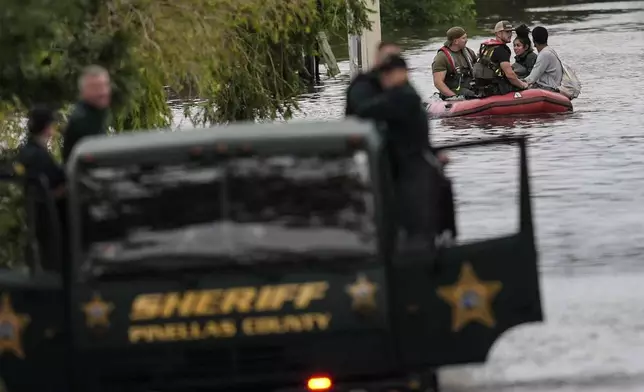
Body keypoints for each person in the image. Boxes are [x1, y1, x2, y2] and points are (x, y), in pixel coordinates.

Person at [347, 54, 457, 251]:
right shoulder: (404, 95)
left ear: (402, 73)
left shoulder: (403, 96)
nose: (385, 79)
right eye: (383, 74)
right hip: (412, 166)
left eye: (389, 74)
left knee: (416, 228)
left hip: (413, 170)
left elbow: (364, 110)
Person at [16, 105, 67, 272]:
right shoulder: (40, 157)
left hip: (34, 222)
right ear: (47, 128)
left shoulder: (25, 153)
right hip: (48, 224)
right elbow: (56, 182)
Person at [62, 65, 112, 163]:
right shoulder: (82, 120)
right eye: (96, 87)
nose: (103, 92)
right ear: (83, 91)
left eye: (105, 85)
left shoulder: (98, 113)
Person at [472, 20, 529, 97]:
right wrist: (523, 85)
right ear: (498, 33)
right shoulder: (502, 50)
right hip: (494, 88)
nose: (510, 34)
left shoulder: (486, 47)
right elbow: (510, 75)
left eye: (511, 32)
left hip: (480, 87)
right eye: (507, 32)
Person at [345, 41, 401, 116]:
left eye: (396, 58)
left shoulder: (401, 84)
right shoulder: (362, 84)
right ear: (377, 59)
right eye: (387, 57)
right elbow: (363, 110)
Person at [432, 27, 478, 100]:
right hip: (454, 91)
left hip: (470, 87)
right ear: (455, 41)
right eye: (463, 38)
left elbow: (477, 69)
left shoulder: (469, 52)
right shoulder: (441, 58)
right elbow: (438, 82)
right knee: (470, 94)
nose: (467, 40)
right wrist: (454, 97)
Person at [524, 26, 563, 92]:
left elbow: (532, 79)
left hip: (550, 88)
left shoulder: (544, 54)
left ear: (533, 40)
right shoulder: (550, 50)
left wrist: (517, 81)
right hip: (554, 85)